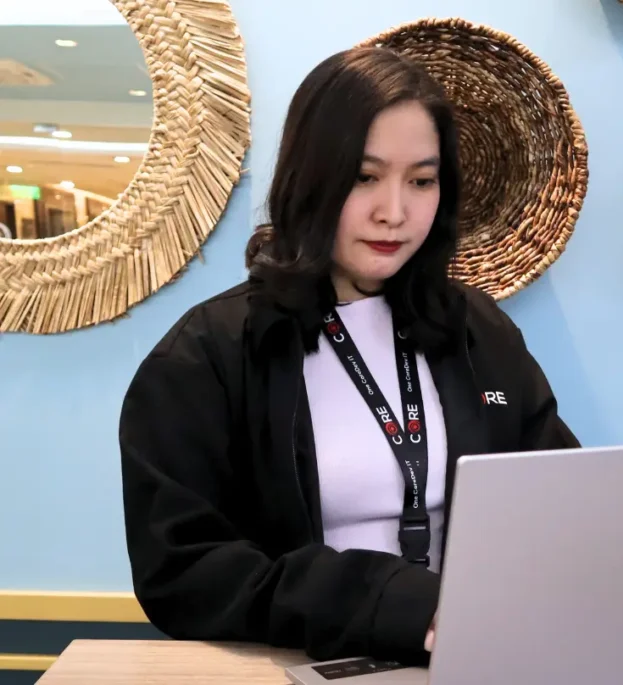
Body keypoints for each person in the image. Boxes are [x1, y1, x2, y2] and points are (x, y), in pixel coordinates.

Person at [118, 46, 579, 666]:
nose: (394, 212)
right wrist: (394, 604)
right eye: (365, 177)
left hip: (482, 659)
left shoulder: (477, 330)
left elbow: (560, 494)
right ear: (311, 177)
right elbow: (182, 572)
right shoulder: (207, 355)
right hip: (298, 667)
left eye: (421, 180)